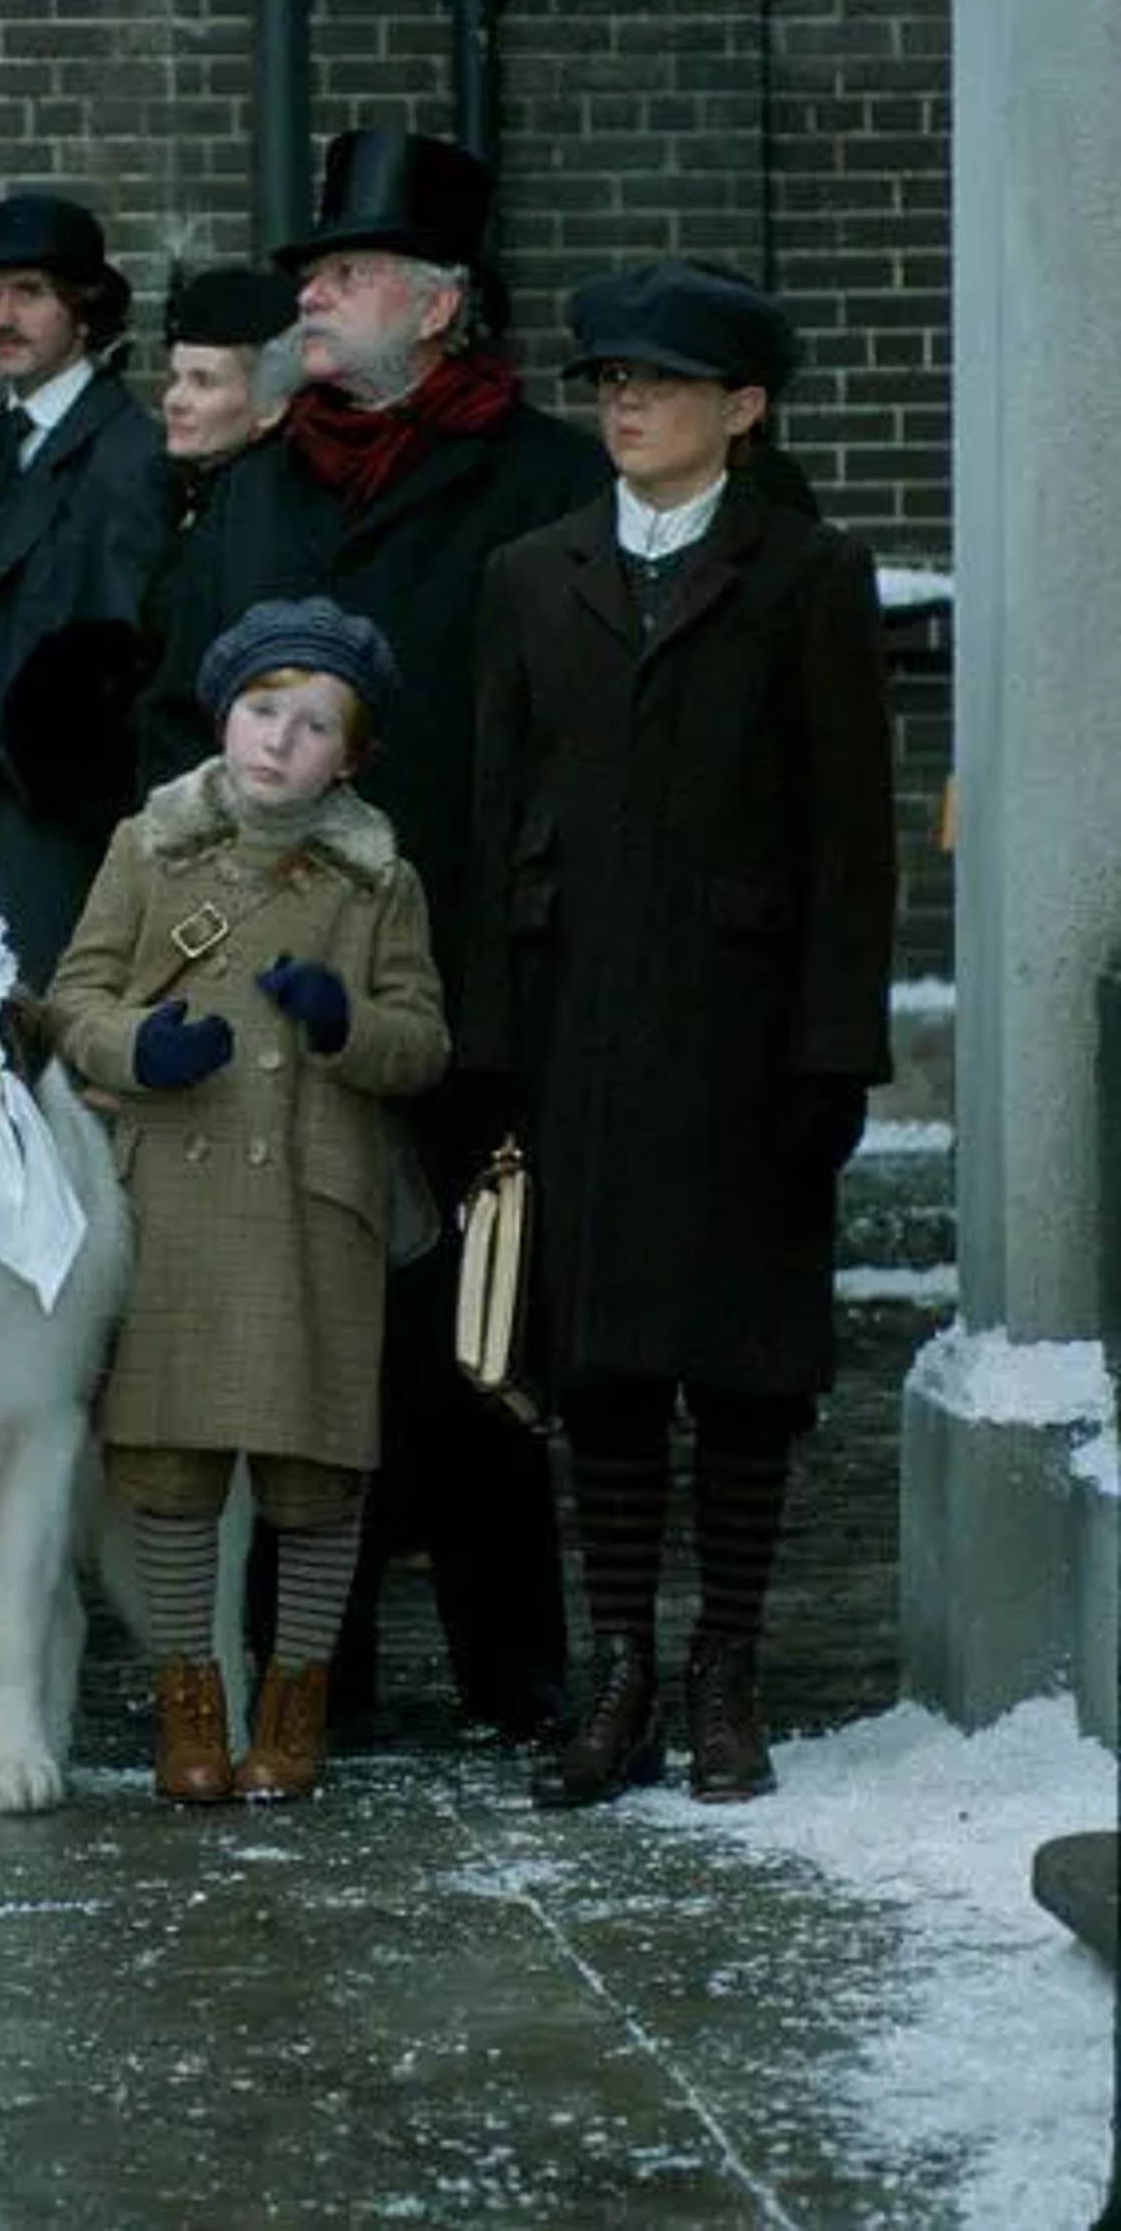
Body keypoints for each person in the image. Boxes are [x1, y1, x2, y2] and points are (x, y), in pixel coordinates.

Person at [139, 126, 608, 1744]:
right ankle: (302, 1673)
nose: (313, 300)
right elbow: (178, 704)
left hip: (466, 969)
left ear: (441, 301)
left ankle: (513, 1658)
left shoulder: (549, 480)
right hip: (268, 974)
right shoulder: (254, 489)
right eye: (311, 274)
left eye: (342, 274)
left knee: (477, 1321)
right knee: (295, 1321)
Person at [459, 258, 896, 1808]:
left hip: (743, 1031)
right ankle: (621, 1661)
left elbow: (854, 840)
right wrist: (492, 1040)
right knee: (607, 1365)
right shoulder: (536, 570)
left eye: (658, 381)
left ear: (745, 408)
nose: (624, 403)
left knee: (746, 1364)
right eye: (610, 380)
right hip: (578, 1025)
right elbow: (496, 803)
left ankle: (727, 1662)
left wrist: (834, 1050)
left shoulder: (805, 575)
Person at [47, 596, 449, 1804]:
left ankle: (296, 1697)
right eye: (263, 709)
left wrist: (344, 1022)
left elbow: (424, 1041)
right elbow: (72, 993)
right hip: (173, 1191)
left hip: (312, 1201)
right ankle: (190, 1700)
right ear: (223, 712)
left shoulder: (380, 877)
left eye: (315, 724)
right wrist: (133, 1046)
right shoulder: (150, 844)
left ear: (353, 755)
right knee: (169, 1459)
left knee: (313, 1470)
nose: (279, 741)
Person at [0, 189, 174, 986]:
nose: (2, 316)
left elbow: (123, 644)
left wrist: (32, 764)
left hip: (56, 816)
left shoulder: (131, 454)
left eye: (30, 293)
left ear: (85, 309)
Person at [158, 263, 301, 509]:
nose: (173, 401)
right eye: (175, 378)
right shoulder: (214, 490)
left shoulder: (260, 510)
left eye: (203, 382)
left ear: (270, 407)